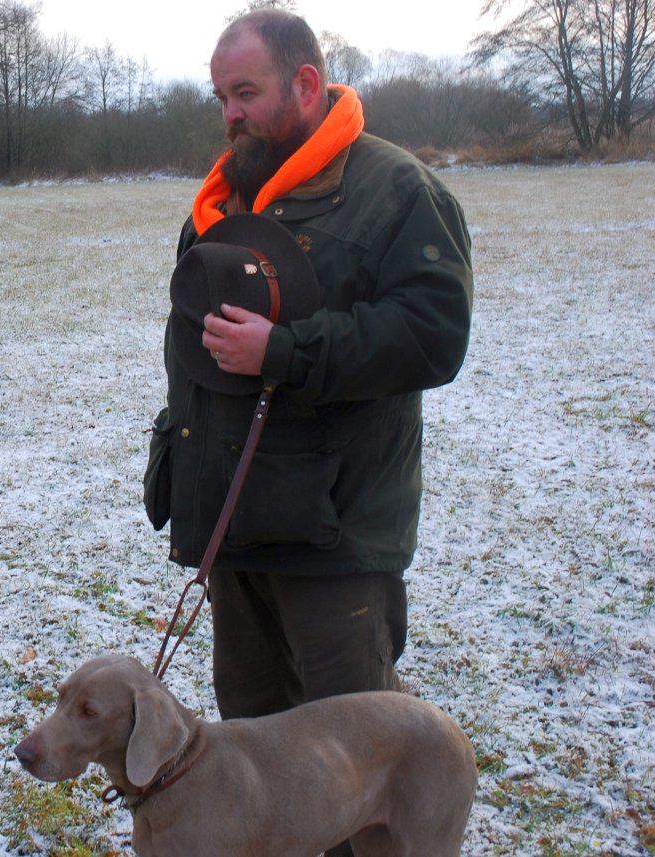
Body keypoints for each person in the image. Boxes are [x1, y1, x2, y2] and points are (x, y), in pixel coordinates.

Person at [144, 7, 472, 831]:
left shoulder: (396, 190)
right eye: (221, 97)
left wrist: (286, 351)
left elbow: (433, 334)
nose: (231, 115)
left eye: (245, 93)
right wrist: (182, 473)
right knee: (259, 782)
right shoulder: (220, 203)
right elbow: (194, 356)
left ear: (306, 83)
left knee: (355, 785)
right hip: (235, 536)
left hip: (335, 543)